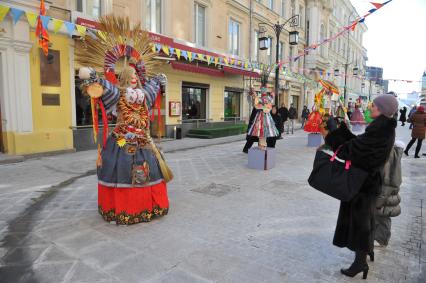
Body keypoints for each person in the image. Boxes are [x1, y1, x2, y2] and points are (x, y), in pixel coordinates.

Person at [76, 16, 173, 225]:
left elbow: (152, 87)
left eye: (136, 75)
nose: (134, 78)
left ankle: (149, 206)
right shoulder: (118, 94)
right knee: (120, 166)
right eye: (130, 75)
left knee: (151, 168)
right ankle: (123, 208)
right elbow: (104, 87)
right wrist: (93, 77)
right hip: (121, 139)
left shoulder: (143, 94)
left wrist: (158, 80)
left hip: (144, 139)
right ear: (123, 77)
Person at [323, 94, 398, 279]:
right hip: (367, 182)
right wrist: (341, 130)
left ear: (381, 110)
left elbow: (352, 151)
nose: (370, 107)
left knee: (360, 224)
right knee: (366, 220)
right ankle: (367, 251)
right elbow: (358, 144)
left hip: (363, 184)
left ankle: (360, 263)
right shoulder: (382, 128)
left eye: (374, 105)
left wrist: (333, 133)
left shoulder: (380, 131)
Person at [374, 141, 403, 249]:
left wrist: (379, 201)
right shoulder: (392, 151)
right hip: (387, 194)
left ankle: (382, 240)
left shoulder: (388, 154)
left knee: (382, 217)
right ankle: (380, 238)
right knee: (381, 217)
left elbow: (387, 182)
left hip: (385, 195)